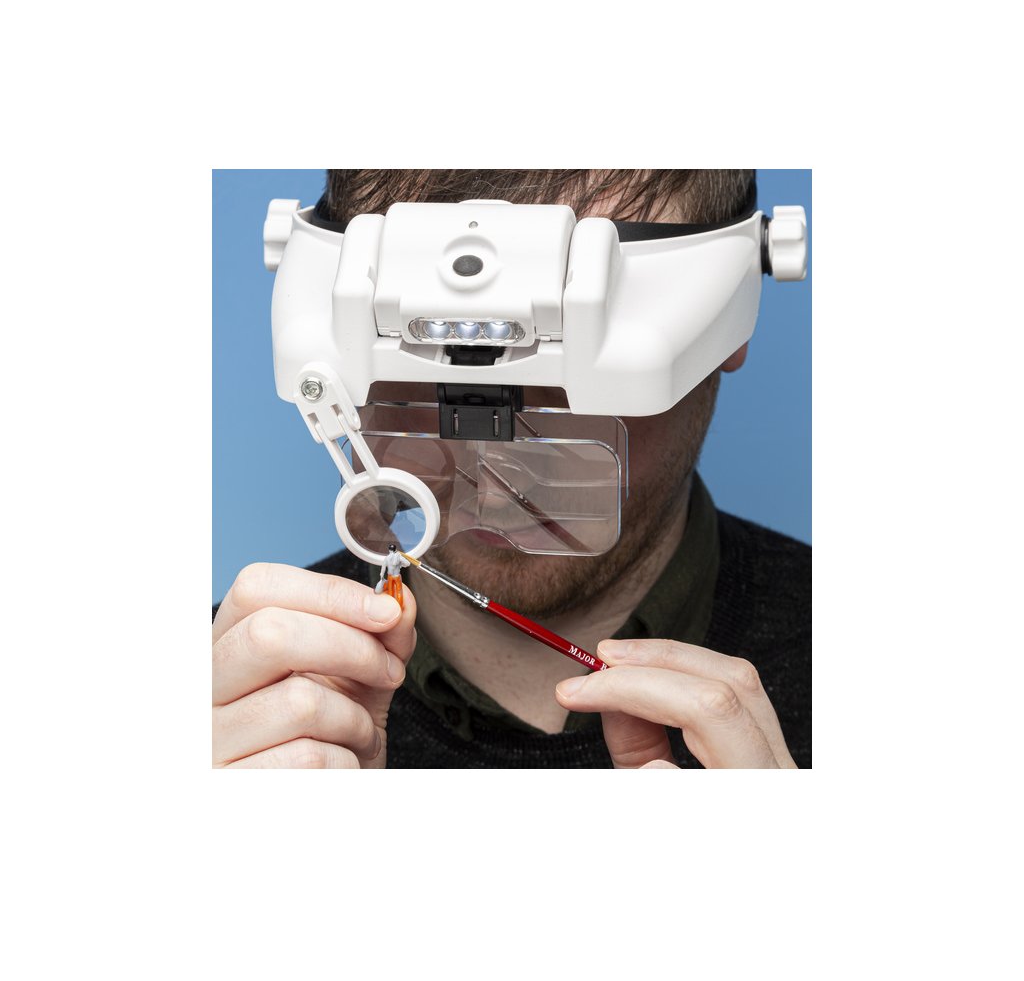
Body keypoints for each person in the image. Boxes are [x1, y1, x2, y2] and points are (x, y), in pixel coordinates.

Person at [212, 169, 810, 769]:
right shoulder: (216, 698)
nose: (494, 474)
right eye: (421, 361)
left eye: (578, 367)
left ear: (732, 314)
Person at [375, 544, 411, 609]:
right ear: (395, 550)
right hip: (397, 576)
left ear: (389, 550)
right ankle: (399, 607)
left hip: (390, 576)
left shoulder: (387, 558)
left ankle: (391, 606)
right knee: (399, 591)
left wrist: (382, 575)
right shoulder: (399, 557)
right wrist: (401, 565)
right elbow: (408, 563)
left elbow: (383, 568)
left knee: (390, 591)